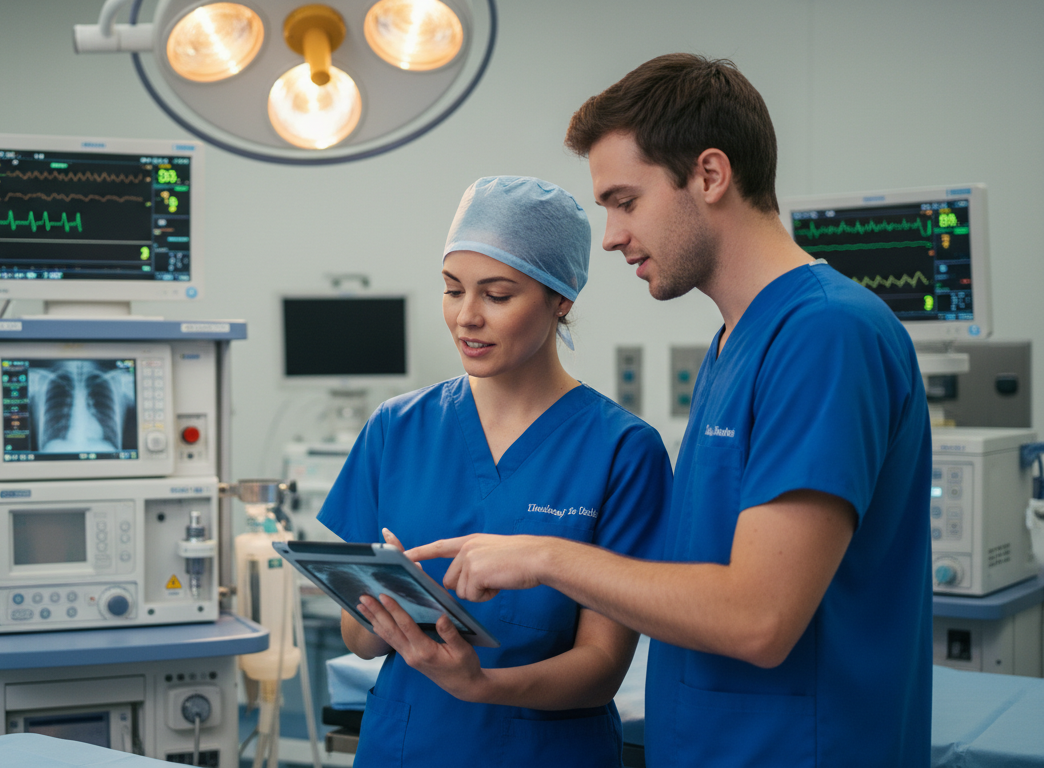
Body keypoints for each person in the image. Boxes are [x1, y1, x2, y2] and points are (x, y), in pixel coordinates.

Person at [408, 55, 933, 767]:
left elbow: (759, 619)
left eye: (625, 201)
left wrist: (545, 556)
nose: (613, 235)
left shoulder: (824, 334)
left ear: (710, 176)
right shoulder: (733, 344)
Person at [317, 176, 671, 767]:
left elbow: (602, 667)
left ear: (562, 299)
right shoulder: (396, 428)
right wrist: (391, 609)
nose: (466, 317)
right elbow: (357, 640)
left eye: (498, 295)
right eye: (453, 291)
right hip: (406, 745)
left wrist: (482, 688)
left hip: (545, 752)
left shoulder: (623, 451)